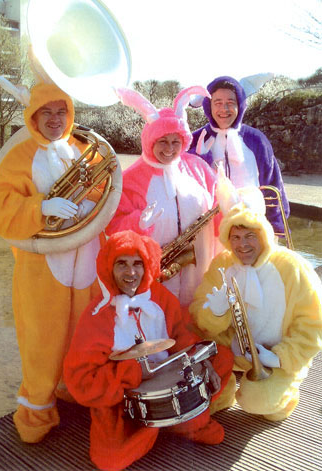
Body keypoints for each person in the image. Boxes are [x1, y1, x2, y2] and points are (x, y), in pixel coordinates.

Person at [0, 82, 104, 443]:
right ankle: (36, 410)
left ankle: (78, 391)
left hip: (87, 257)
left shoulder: (86, 149)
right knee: (41, 336)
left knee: (87, 329)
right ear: (33, 115)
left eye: (61, 111)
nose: (55, 119)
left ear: (70, 113)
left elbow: (107, 190)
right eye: (46, 112)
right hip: (42, 264)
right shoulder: (20, 155)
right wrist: (40, 207)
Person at [63, 230, 234, 471]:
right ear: (108, 268)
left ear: (146, 267)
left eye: (137, 264)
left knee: (223, 357)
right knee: (109, 460)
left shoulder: (159, 297)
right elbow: (80, 381)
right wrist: (129, 374)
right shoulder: (96, 317)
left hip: (171, 382)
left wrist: (204, 364)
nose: (131, 273)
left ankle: (177, 419)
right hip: (124, 402)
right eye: (122, 264)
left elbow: (182, 335)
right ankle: (171, 425)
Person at [189, 186, 322, 421]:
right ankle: (225, 387)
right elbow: (199, 312)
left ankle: (288, 388)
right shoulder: (223, 263)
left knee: (260, 403)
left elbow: (314, 326)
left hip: (275, 355)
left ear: (264, 235)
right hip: (234, 350)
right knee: (187, 327)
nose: (242, 245)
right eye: (236, 237)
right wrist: (216, 313)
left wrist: (280, 357)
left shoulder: (292, 267)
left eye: (250, 235)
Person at [107, 86, 219, 307]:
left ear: (184, 141)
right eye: (162, 141)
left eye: (175, 142)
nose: (169, 149)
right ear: (150, 141)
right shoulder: (130, 179)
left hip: (199, 270)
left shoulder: (197, 167)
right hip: (155, 275)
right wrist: (137, 223)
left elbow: (218, 208)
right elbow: (111, 229)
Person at [188, 75, 289, 236]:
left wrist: (276, 227)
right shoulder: (195, 139)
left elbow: (273, 183)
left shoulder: (256, 139)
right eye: (218, 103)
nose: (224, 109)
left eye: (230, 103)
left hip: (251, 227)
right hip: (209, 230)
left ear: (240, 104)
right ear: (208, 105)